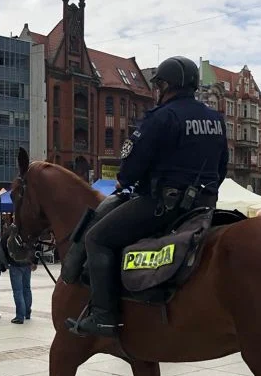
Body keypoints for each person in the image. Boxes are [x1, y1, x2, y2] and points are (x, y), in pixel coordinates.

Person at [69, 55, 228, 337]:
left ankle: (105, 316)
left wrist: (126, 181)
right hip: (204, 206)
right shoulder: (215, 119)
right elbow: (221, 167)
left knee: (97, 238)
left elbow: (131, 167)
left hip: (163, 205)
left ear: (166, 85)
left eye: (158, 86)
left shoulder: (162, 117)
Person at [3, 226, 35, 324]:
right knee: (27, 288)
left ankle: (20, 316)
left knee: (18, 291)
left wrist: (6, 262)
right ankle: (27, 313)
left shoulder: (9, 231)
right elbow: (34, 245)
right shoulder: (27, 230)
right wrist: (33, 261)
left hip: (15, 264)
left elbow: (3, 246)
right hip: (27, 263)